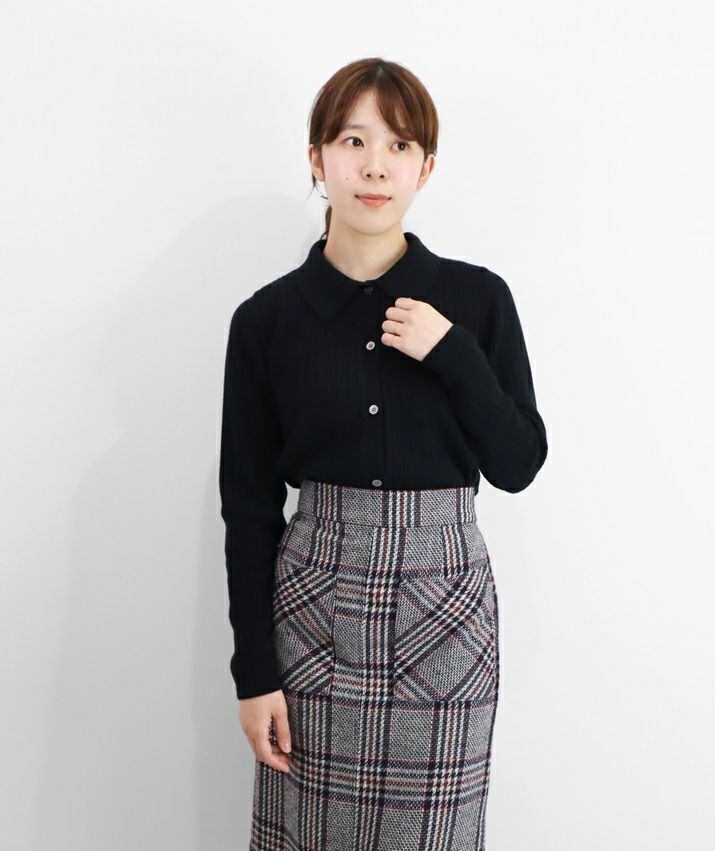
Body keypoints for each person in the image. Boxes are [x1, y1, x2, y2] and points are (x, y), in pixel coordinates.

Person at [219, 57, 548, 851]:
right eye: (353, 140)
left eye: (399, 145)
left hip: (445, 611)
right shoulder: (266, 320)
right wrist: (254, 673)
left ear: (425, 167)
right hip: (313, 607)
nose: (375, 166)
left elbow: (517, 463)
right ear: (316, 158)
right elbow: (250, 506)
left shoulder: (476, 299)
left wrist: (453, 354)